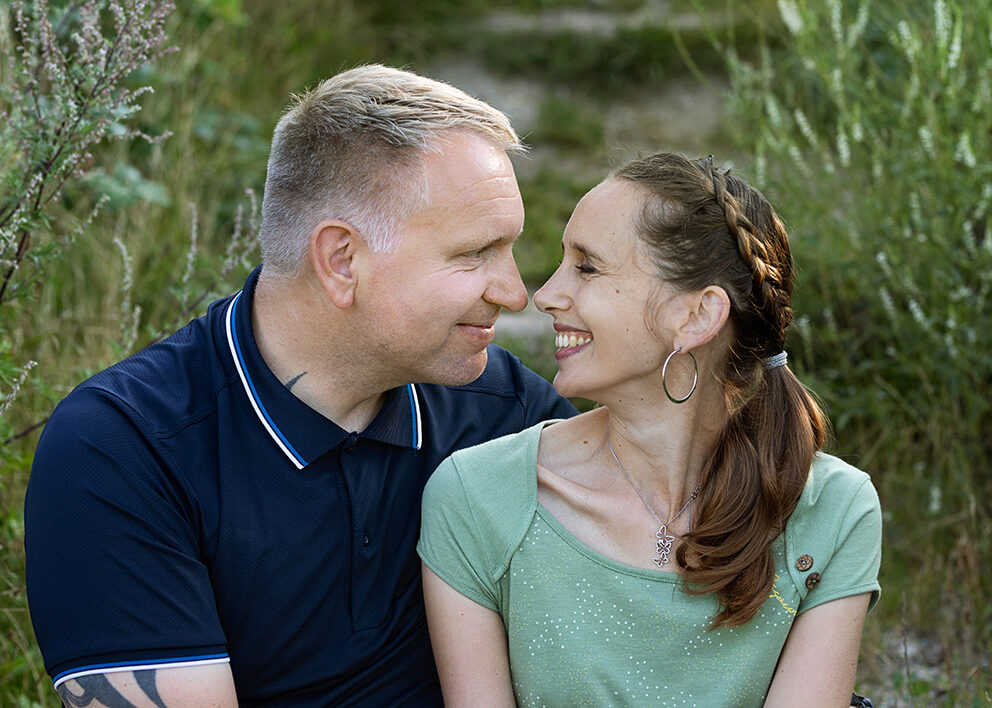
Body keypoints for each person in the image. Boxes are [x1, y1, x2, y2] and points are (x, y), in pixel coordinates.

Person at [24, 64, 576, 707]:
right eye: (474, 254)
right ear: (342, 260)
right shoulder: (124, 451)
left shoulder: (501, 413)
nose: (514, 293)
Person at [418, 152, 882, 707]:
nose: (544, 295)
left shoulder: (832, 511)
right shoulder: (477, 499)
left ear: (695, 317)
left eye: (587, 267)